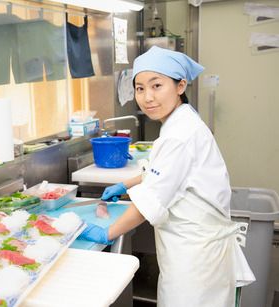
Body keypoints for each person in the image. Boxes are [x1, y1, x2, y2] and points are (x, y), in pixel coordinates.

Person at [79, 46, 255, 307]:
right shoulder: (181, 122)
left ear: (180, 86)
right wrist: (125, 184)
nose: (147, 97)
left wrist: (107, 233)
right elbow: (161, 172)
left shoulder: (180, 135)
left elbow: (148, 204)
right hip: (195, 251)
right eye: (140, 88)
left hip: (196, 261)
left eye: (157, 85)